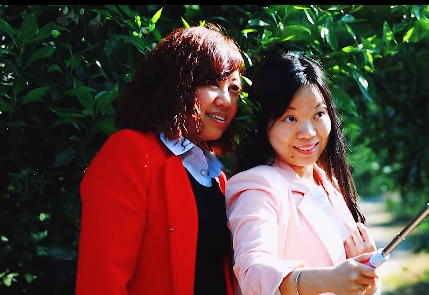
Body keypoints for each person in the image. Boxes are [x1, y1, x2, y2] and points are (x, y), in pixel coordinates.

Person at [76, 23, 244, 295]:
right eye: (212, 83)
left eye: (234, 88)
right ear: (177, 84)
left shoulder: (219, 177)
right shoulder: (129, 152)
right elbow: (102, 279)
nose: (226, 100)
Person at [225, 51, 382, 295]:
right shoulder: (258, 186)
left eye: (318, 114)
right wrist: (327, 280)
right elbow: (252, 271)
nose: (308, 132)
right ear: (263, 122)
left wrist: (365, 270)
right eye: (290, 118)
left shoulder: (329, 184)